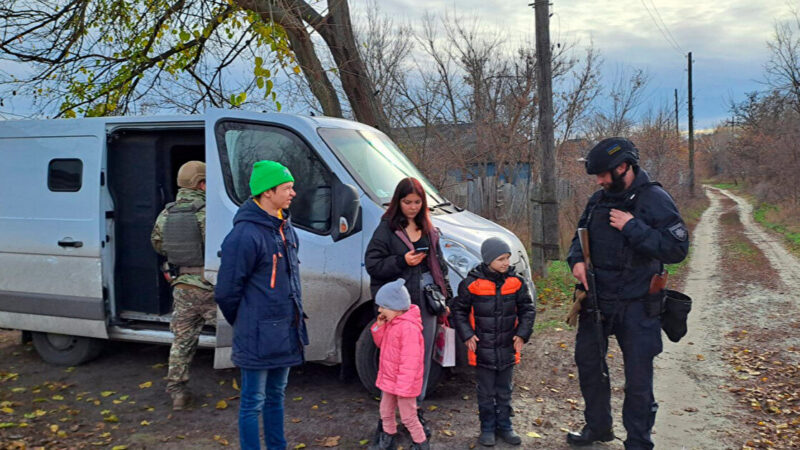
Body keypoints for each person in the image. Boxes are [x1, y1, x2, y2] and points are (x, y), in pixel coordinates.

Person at [565, 138, 689, 449]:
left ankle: (638, 440)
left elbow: (677, 248)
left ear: (623, 167)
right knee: (590, 367)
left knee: (638, 379)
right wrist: (576, 260)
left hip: (638, 305)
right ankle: (598, 427)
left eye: (604, 174)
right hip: (597, 301)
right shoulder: (597, 200)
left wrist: (633, 226)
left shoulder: (655, 199)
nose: (600, 181)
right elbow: (579, 236)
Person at [215, 160, 308, 450]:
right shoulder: (244, 235)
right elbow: (226, 292)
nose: (293, 193)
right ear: (267, 193)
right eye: (287, 188)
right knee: (252, 402)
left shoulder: (284, 227)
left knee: (277, 395)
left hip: (285, 330)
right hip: (256, 334)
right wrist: (246, 320)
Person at [365, 177, 452, 436]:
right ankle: (387, 419)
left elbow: (441, 265)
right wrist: (402, 260)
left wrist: (445, 298)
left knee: (420, 359)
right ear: (398, 201)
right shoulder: (386, 228)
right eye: (407, 202)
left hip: (426, 301)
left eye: (417, 202)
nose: (412, 207)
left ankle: (414, 410)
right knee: (392, 359)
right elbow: (372, 264)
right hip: (397, 305)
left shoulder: (428, 227)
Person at [451, 237, 536, 447]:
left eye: (507, 258)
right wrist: (467, 334)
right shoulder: (472, 284)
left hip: (508, 347)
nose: (506, 263)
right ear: (489, 260)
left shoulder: (516, 282)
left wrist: (523, 333)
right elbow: (458, 310)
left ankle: (506, 426)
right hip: (483, 349)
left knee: (505, 389)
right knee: (486, 391)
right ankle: (487, 427)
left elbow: (527, 309)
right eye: (500, 259)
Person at [150, 160, 214, 411]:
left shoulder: (166, 213)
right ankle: (253, 384)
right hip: (210, 286)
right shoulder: (208, 212)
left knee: (182, 341)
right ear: (201, 183)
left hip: (182, 286)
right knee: (240, 332)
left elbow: (158, 244)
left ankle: (177, 392)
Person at [369, 278, 430, 450]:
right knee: (385, 411)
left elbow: (410, 361)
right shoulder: (392, 323)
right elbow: (383, 345)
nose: (380, 310)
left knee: (409, 417)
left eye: (383, 306)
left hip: (403, 384)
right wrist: (379, 327)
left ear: (396, 307)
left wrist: (403, 386)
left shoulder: (409, 329)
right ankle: (388, 440)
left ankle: (421, 443)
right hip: (390, 380)